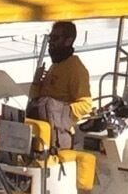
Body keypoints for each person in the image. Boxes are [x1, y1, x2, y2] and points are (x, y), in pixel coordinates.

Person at [28, 21, 92, 149]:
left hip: (57, 138)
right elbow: (37, 99)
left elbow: (86, 105)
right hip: (41, 133)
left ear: (68, 41)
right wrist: (36, 83)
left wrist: (57, 111)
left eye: (55, 38)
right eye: (50, 38)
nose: (51, 42)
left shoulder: (75, 68)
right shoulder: (56, 65)